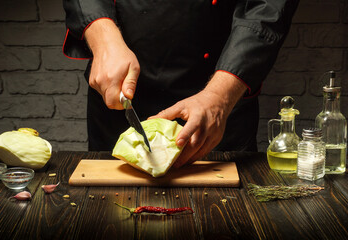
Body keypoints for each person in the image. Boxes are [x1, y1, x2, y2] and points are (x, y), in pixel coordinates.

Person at [63, 0, 299, 167]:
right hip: (120, 92)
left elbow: (268, 7)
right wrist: (103, 37)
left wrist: (220, 96)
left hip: (218, 98)